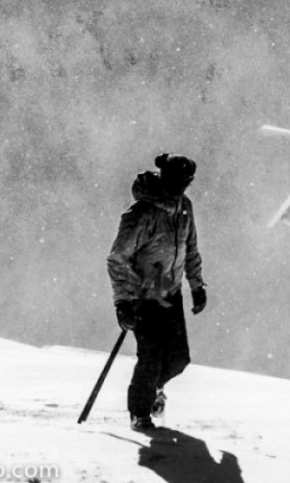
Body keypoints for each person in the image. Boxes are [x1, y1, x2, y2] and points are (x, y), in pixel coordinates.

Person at [107, 153, 207, 431]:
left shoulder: (184, 207)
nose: (182, 187)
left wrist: (196, 285)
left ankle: (153, 390)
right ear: (165, 177)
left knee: (178, 359)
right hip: (143, 298)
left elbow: (191, 248)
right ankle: (140, 415)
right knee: (150, 358)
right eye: (178, 181)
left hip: (170, 295)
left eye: (187, 182)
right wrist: (123, 302)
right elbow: (117, 258)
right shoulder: (141, 213)